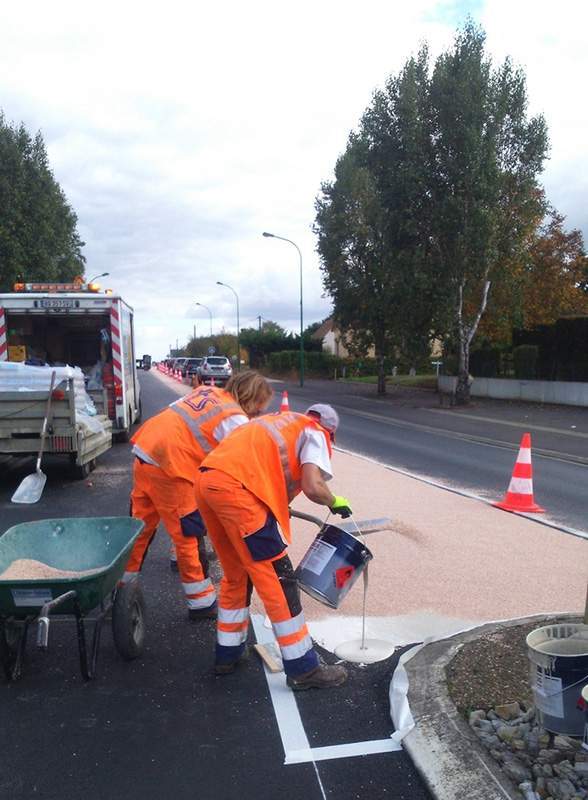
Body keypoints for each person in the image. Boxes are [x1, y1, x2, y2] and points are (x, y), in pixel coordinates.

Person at [195, 403, 353, 690]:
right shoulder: (315, 432)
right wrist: (334, 501)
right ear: (331, 434)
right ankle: (304, 669)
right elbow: (313, 485)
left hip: (207, 483)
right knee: (279, 579)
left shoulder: (278, 421)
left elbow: (264, 467)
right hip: (236, 492)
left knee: (237, 574)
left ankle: (228, 653)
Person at [123, 370, 273, 619]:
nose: (257, 415)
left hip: (145, 452)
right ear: (250, 399)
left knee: (138, 529)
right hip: (171, 466)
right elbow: (244, 466)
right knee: (186, 535)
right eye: (258, 409)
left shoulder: (208, 391)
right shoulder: (234, 418)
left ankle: (122, 588)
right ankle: (201, 602)